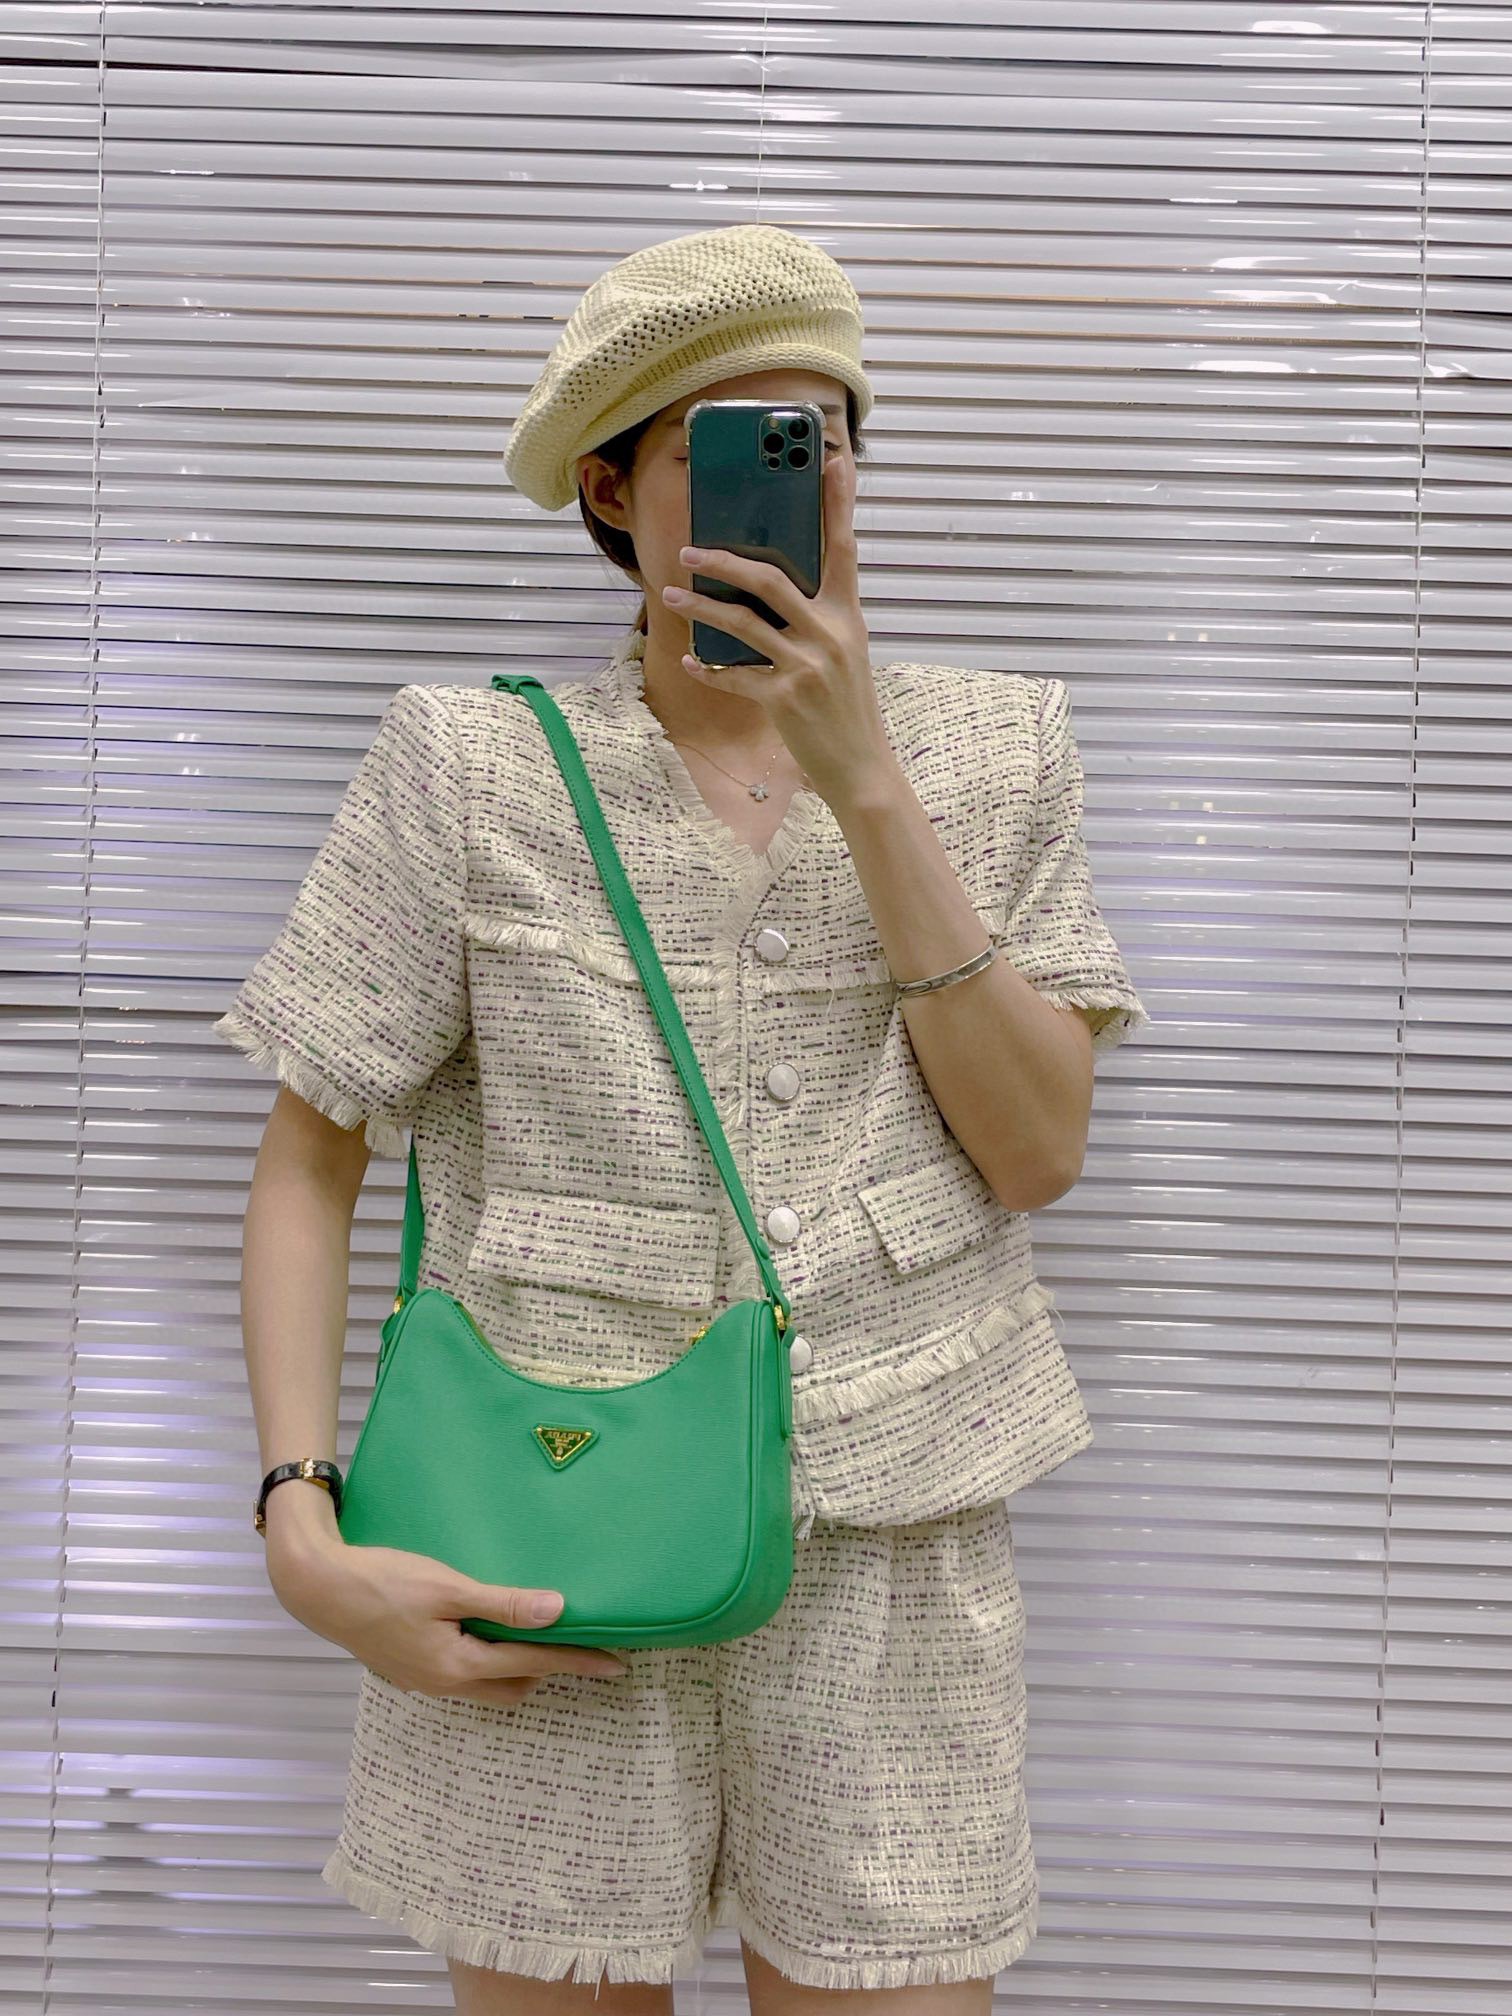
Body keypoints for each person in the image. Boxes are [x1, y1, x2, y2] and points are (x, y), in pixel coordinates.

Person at [215, 224, 1152, 2016]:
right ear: (610, 488)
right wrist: (299, 1526)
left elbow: (1038, 1156)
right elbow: (311, 1158)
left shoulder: (999, 748)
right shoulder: (467, 763)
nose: (802, 485)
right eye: (731, 448)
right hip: (542, 1525)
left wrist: (867, 783)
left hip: (896, 1544)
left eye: (825, 441)